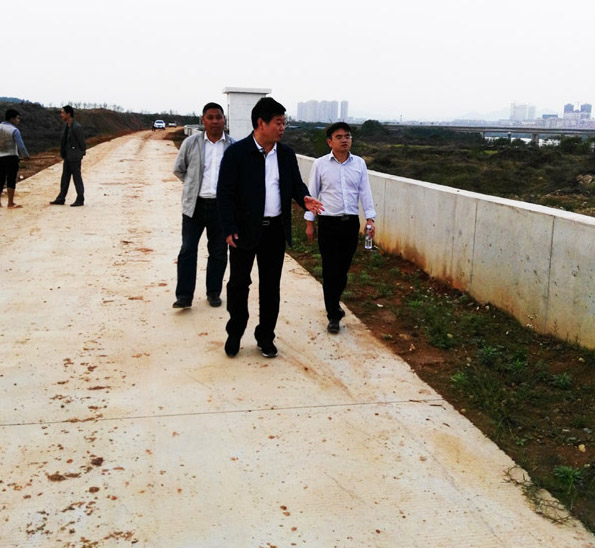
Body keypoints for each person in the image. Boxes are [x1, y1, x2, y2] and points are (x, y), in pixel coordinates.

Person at [217, 97, 323, 358]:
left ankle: (265, 337)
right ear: (260, 123)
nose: (282, 127)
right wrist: (228, 227)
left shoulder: (286, 154)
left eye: (284, 123)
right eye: (278, 122)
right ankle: (235, 332)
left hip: (274, 231)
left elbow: (296, 184)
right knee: (238, 285)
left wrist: (304, 198)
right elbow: (225, 194)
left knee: (270, 287)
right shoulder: (237, 153)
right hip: (243, 231)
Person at [305, 122, 376, 334]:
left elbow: (365, 192)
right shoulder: (320, 164)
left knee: (343, 269)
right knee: (330, 269)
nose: (344, 140)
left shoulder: (359, 164)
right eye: (339, 137)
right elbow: (311, 194)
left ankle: (334, 302)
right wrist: (309, 223)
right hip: (328, 223)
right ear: (330, 142)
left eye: (347, 136)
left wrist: (370, 219)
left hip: (350, 223)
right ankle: (333, 314)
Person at [172, 102, 235, 309]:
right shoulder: (191, 143)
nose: (215, 121)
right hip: (194, 207)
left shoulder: (233, 146)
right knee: (187, 250)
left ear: (224, 119)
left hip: (221, 208)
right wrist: (192, 186)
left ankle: (213, 292)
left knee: (218, 252)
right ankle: (184, 296)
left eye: (218, 117)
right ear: (203, 120)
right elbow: (179, 169)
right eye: (210, 117)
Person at [50, 105, 86, 206]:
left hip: (74, 157)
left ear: (68, 114)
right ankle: (61, 198)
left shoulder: (76, 127)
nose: (61, 115)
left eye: (62, 113)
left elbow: (82, 144)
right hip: (67, 156)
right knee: (65, 178)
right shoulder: (67, 126)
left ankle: (80, 198)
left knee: (77, 178)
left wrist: (79, 154)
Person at [0, 108, 30, 208]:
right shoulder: (14, 130)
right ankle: (10, 202)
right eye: (17, 118)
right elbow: (21, 145)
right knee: (11, 179)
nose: (18, 120)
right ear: (12, 119)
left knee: (0, 179)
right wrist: (26, 155)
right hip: (11, 157)